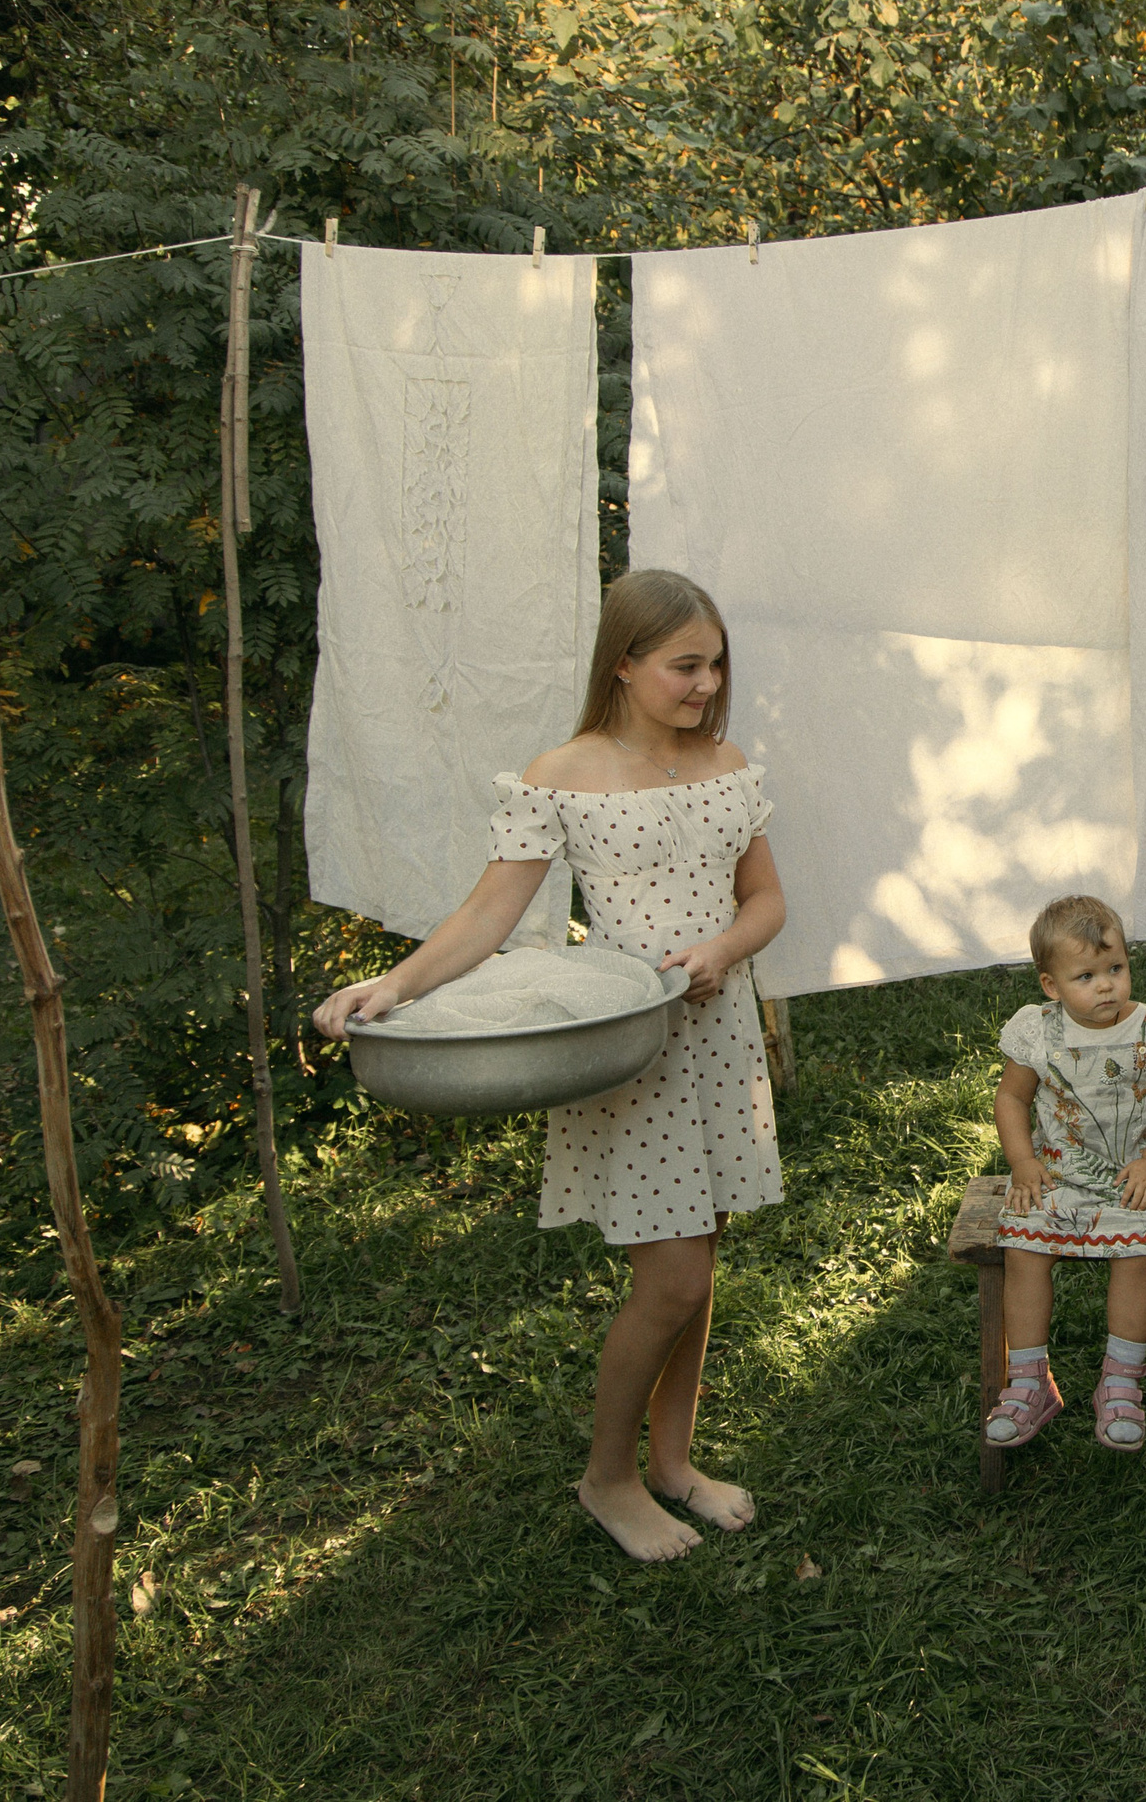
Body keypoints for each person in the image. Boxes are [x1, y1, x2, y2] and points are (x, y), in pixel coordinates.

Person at [315, 569, 786, 1563]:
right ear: (624, 661)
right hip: (634, 1045)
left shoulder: (726, 764)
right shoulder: (566, 771)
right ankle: (607, 1478)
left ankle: (672, 1461)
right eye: (684, 666)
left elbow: (764, 903)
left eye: (714, 665)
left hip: (719, 1041)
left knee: (699, 1271)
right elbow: (491, 913)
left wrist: (722, 952)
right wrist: (392, 989)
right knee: (669, 1281)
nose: (706, 685)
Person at [981, 896, 1146, 1454]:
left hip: (1134, 1178)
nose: (1106, 986)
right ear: (1051, 985)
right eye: (1086, 976)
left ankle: (1122, 1380)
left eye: (1116, 969)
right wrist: (1022, 1161)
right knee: (1025, 1246)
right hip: (1056, 1174)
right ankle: (1030, 1381)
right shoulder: (1037, 1030)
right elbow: (1011, 1097)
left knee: (1137, 1252)